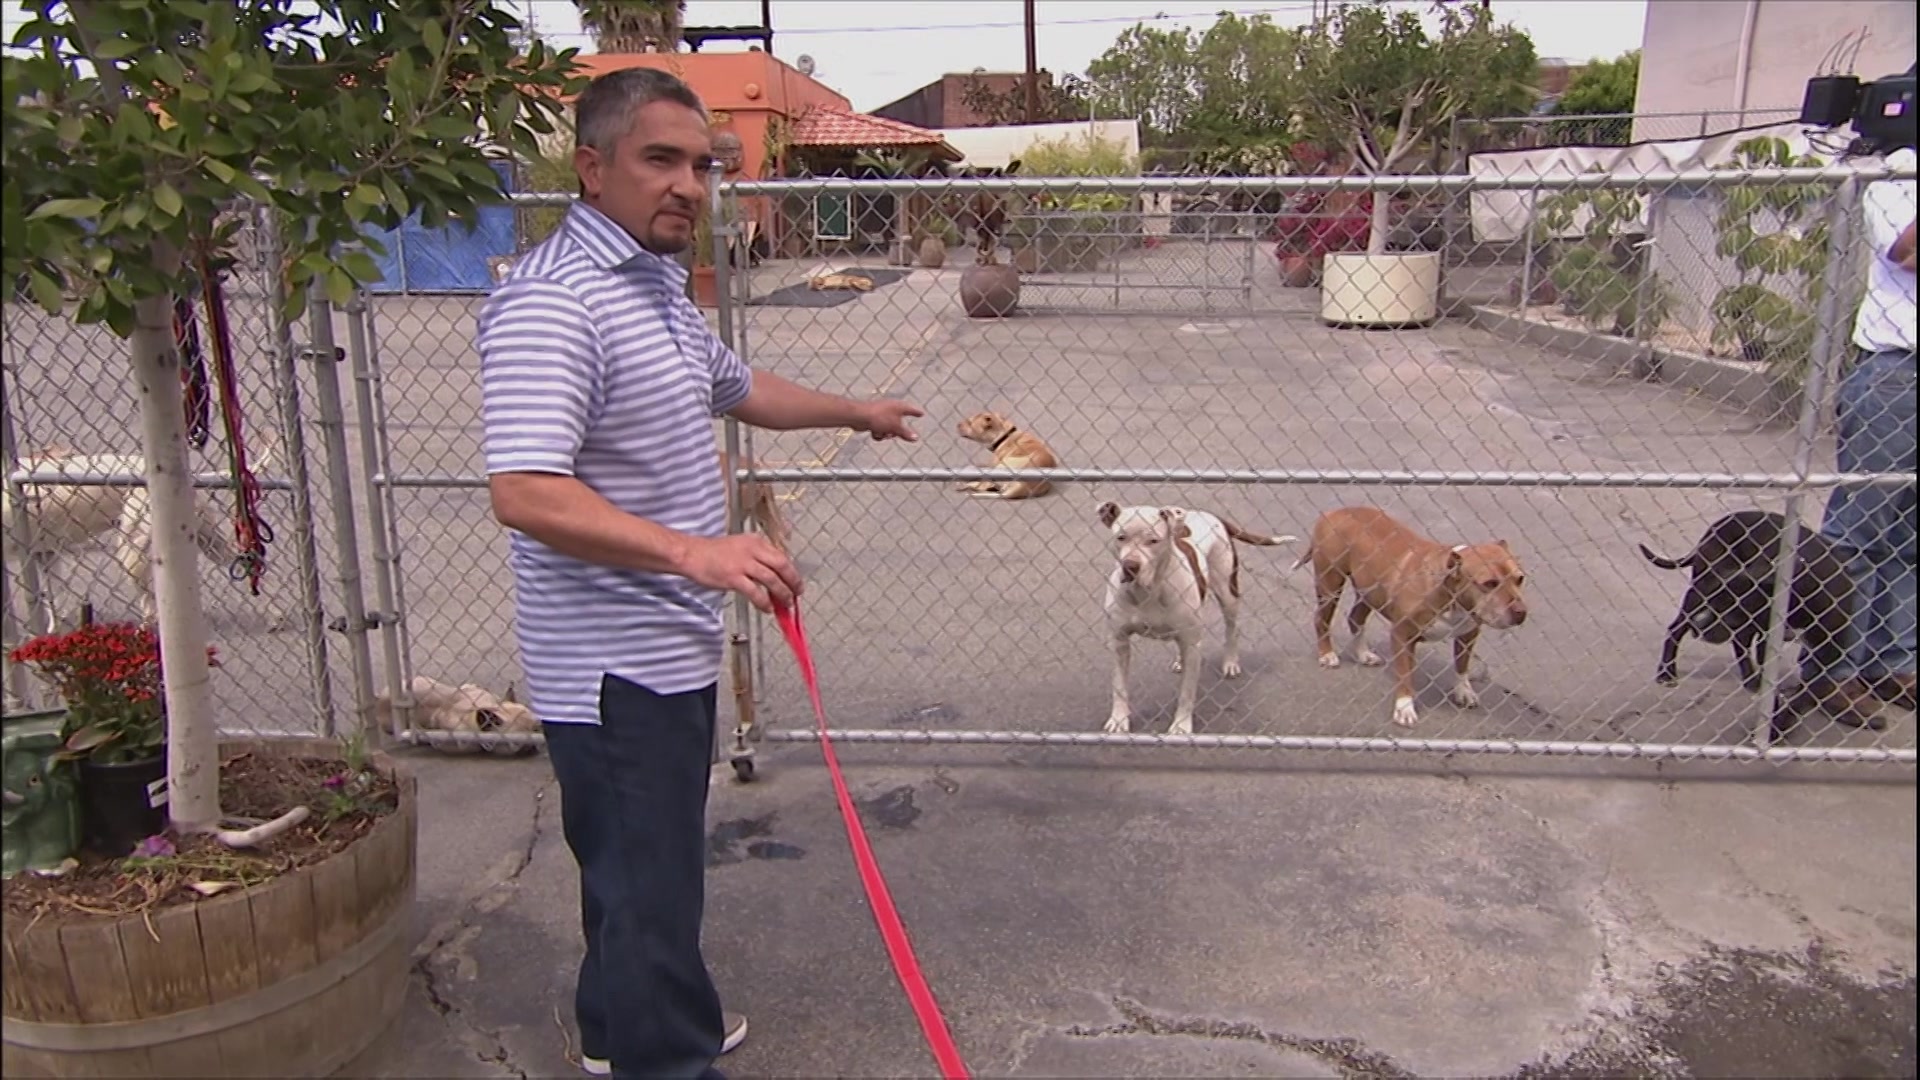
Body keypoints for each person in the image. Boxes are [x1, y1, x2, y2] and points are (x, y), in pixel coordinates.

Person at [476, 68, 924, 1079]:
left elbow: (738, 385)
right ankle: (665, 1055)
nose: (688, 184)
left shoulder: (651, 288)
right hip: (611, 668)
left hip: (663, 650)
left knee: (639, 872)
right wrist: (698, 552)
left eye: (702, 164)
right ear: (592, 168)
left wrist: (855, 411)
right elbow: (527, 491)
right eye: (659, 160)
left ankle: (614, 1028)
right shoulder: (556, 303)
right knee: (651, 886)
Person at [1803, 142, 1916, 728]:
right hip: (1898, 371)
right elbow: (1908, 252)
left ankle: (1894, 661)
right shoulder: (1898, 170)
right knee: (1860, 530)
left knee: (1909, 536)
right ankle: (1832, 668)